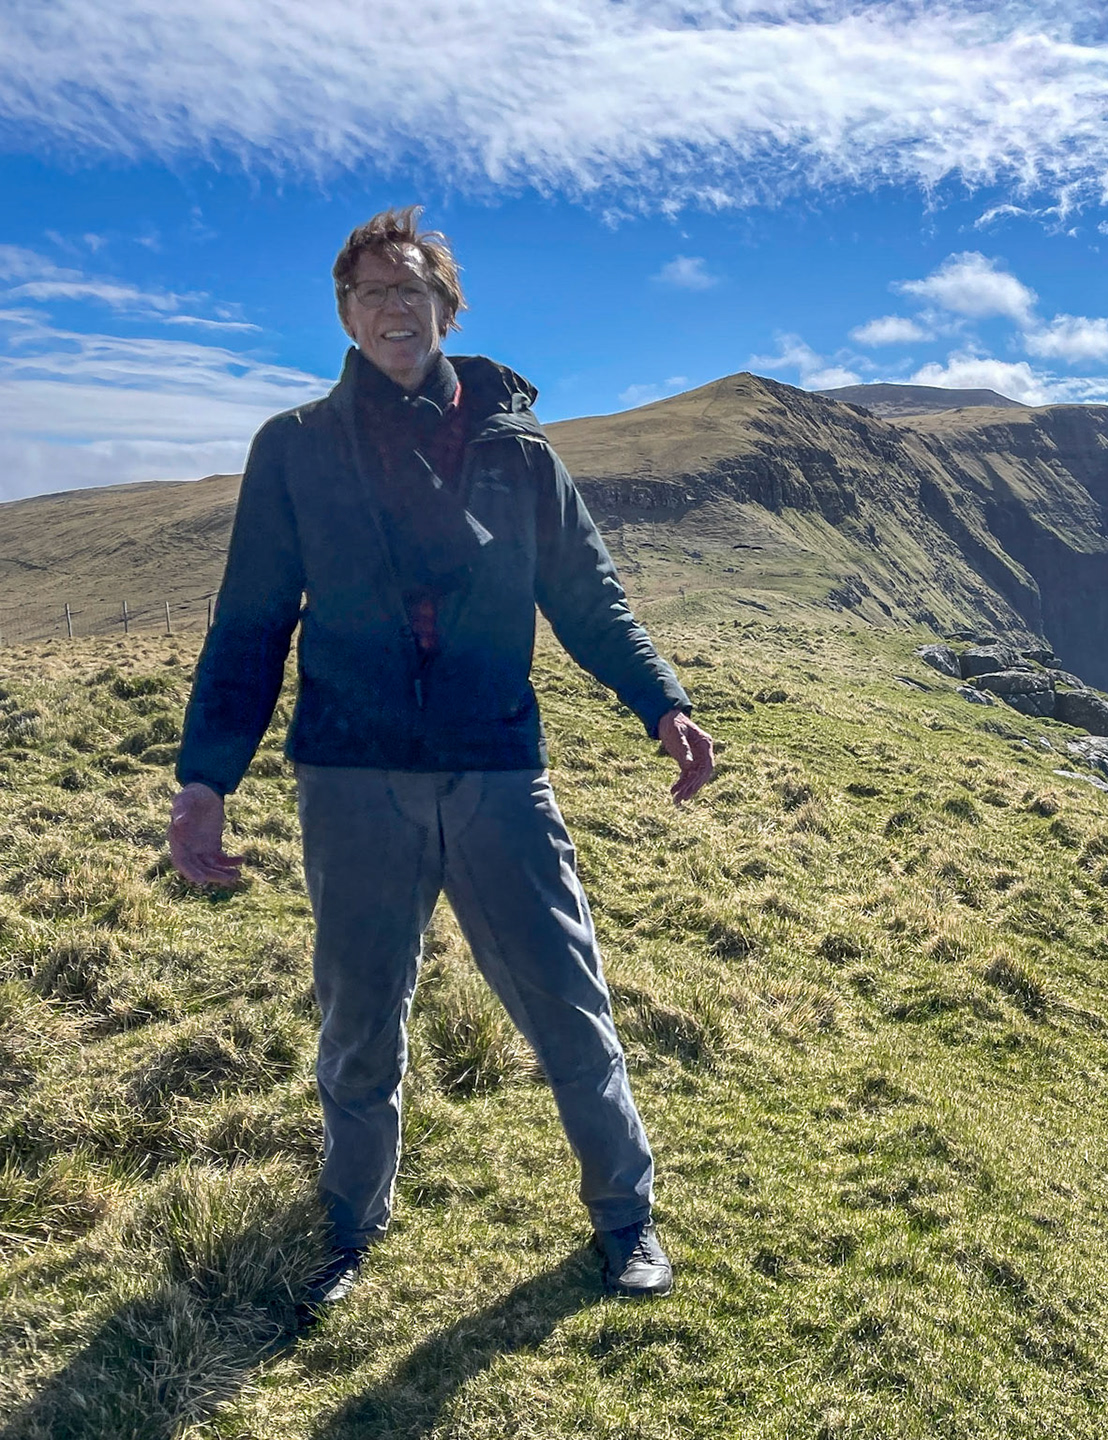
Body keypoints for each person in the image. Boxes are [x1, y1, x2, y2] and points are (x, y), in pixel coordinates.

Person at [167, 206, 713, 1308]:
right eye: (370, 292)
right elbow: (251, 623)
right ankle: (347, 1227)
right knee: (359, 1021)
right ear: (345, 314)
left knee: (568, 1004)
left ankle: (626, 1218)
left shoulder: (518, 451)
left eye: (410, 289)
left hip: (496, 771)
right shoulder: (296, 448)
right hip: (351, 777)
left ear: (445, 308)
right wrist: (205, 779)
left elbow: (588, 597)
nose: (392, 310)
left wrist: (662, 703)